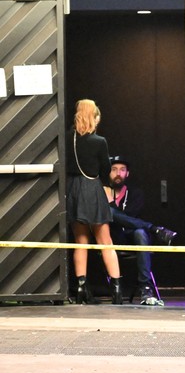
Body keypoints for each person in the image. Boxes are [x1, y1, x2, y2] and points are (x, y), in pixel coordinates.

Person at [66, 99, 124, 304]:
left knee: (81, 241)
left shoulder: (68, 138)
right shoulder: (100, 141)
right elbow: (105, 170)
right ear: (94, 117)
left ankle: (81, 289)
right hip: (92, 187)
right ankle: (117, 290)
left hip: (73, 189)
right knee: (105, 241)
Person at [106, 155, 178, 307]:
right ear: (108, 172)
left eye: (122, 170)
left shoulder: (135, 193)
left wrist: (111, 207)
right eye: (114, 169)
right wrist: (110, 203)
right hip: (111, 237)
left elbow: (128, 217)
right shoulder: (101, 193)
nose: (118, 173)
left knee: (140, 233)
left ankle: (146, 289)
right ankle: (155, 230)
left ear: (127, 173)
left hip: (131, 236)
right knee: (110, 213)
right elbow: (110, 218)